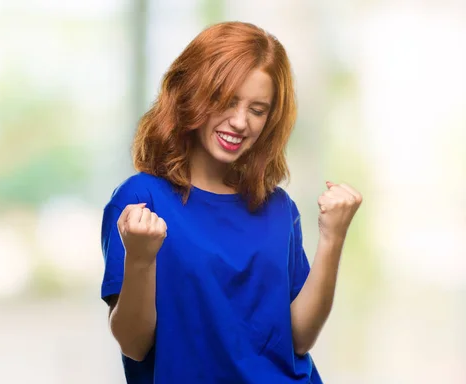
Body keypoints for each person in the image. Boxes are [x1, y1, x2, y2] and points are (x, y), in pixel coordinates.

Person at [100, 21, 362, 383]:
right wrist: (140, 260)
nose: (240, 122)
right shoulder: (141, 200)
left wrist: (333, 238)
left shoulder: (279, 208)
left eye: (257, 109)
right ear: (191, 92)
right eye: (226, 100)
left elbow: (299, 338)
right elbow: (134, 344)